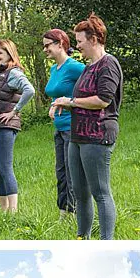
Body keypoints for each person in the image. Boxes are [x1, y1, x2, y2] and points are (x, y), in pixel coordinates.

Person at [53, 14, 123, 240]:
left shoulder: (108, 64)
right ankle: (82, 238)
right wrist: (62, 104)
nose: (77, 46)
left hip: (98, 135)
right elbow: (79, 98)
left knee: (100, 192)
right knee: (80, 194)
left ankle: (106, 240)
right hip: (78, 136)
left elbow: (103, 99)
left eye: (80, 41)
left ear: (93, 39)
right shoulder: (88, 67)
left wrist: (71, 102)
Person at [0, 39, 36, 213]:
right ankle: (4, 210)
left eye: (0, 53)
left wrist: (14, 111)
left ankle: (13, 211)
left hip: (5, 126)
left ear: (9, 54)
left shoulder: (13, 73)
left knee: (5, 167)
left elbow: (30, 90)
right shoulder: (0, 73)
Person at [44, 29, 86, 220]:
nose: (44, 49)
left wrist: (69, 102)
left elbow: (92, 89)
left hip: (73, 126)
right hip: (59, 129)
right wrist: (53, 104)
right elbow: (56, 94)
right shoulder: (55, 69)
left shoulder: (74, 67)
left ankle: (78, 214)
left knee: (72, 173)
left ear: (60, 44)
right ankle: (64, 213)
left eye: (47, 45)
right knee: (61, 172)